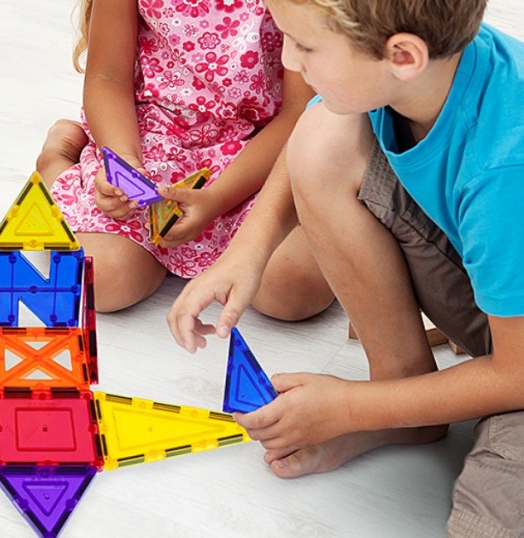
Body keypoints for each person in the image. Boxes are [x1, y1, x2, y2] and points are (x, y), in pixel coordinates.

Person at [167, 0, 524, 534]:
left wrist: (352, 408)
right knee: (326, 136)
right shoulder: (416, 72)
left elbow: (517, 374)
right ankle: (407, 401)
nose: (288, 60)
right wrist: (245, 252)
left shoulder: (504, 170)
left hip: (517, 364)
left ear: (402, 56)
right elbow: (312, 135)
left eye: (306, 46)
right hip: (505, 324)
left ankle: (403, 407)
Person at [34, 0, 333, 315]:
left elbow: (299, 113)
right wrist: (122, 161)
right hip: (149, 142)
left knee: (293, 289)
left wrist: (217, 198)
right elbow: (106, 79)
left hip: (260, 155)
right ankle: (58, 160)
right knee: (103, 280)